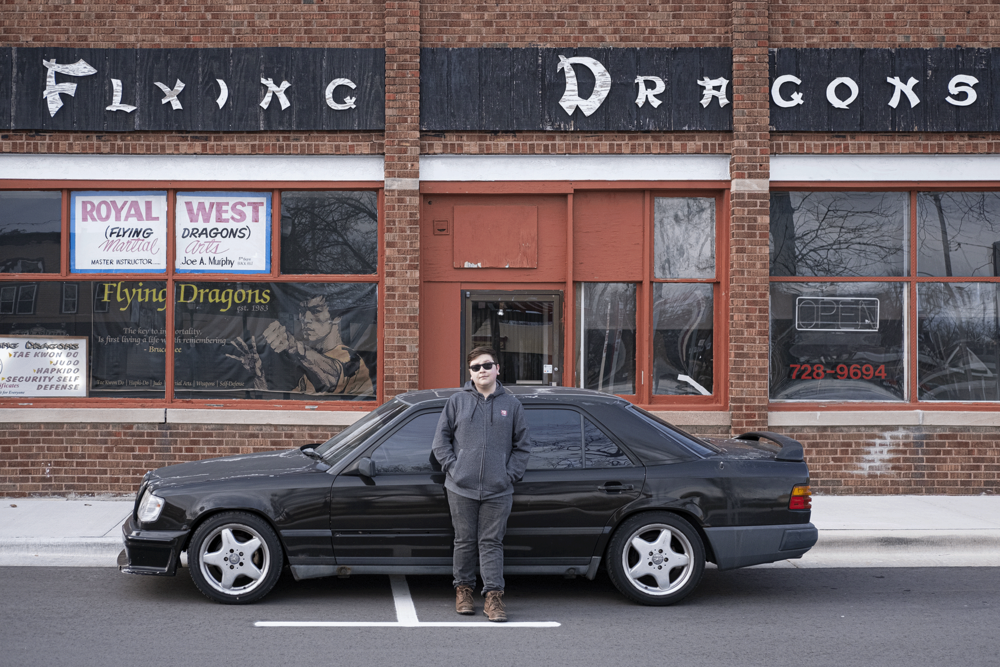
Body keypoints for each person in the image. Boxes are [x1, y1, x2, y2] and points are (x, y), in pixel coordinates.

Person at [432, 345, 532, 622]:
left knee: (491, 543)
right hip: (460, 487)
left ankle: (493, 598)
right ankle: (463, 591)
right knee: (463, 541)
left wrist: (507, 474)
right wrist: (454, 468)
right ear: (470, 372)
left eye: (487, 365)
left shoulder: (512, 405)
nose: (482, 371)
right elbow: (440, 442)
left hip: (498, 489)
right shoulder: (457, 402)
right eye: (476, 367)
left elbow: (522, 447)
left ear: (497, 369)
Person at [227, 295, 373, 396]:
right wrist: (259, 377)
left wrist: (294, 346)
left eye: (316, 311)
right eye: (302, 312)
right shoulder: (309, 372)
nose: (305, 318)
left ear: (336, 317)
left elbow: (332, 376)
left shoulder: (351, 360)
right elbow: (284, 408)